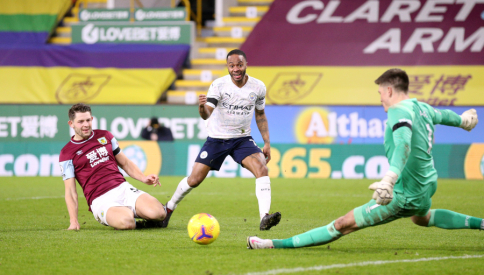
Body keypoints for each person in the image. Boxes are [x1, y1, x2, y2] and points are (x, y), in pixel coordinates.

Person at [247, 68, 481, 249]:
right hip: (427, 185)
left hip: (403, 194)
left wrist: (389, 179)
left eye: (380, 93)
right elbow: (444, 115)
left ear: (389, 90)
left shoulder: (399, 111)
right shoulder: (422, 108)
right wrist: (462, 120)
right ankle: (480, 223)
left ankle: (271, 244)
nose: (380, 98)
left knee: (341, 225)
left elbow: (403, 144)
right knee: (421, 218)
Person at [162, 49, 282, 230]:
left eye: (239, 65)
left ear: (246, 65)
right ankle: (169, 209)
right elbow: (206, 114)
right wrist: (202, 107)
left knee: (261, 168)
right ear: (227, 67)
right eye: (231, 65)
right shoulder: (219, 85)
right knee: (194, 180)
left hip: (242, 139)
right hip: (217, 139)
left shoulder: (258, 87)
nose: (236, 69)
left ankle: (264, 217)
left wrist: (266, 142)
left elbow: (260, 114)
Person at [59, 103, 167, 230]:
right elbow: (71, 192)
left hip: (123, 188)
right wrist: (73, 221)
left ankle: (138, 214)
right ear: (71, 124)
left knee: (159, 213)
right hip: (100, 199)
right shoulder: (66, 153)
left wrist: (143, 178)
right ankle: (129, 217)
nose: (86, 125)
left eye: (88, 120)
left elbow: (125, 163)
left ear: (92, 119)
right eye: (80, 121)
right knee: (127, 222)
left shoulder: (105, 136)